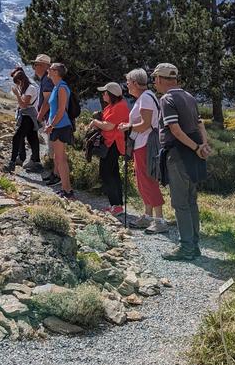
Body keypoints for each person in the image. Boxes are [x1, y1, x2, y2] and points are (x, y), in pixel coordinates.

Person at [152, 63, 211, 261]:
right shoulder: (189, 97)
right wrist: (202, 146)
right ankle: (194, 244)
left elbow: (175, 130)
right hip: (194, 155)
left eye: (155, 79)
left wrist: (195, 147)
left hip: (178, 155)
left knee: (180, 203)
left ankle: (186, 247)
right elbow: (200, 125)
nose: (155, 83)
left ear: (160, 79)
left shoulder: (167, 99)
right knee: (191, 200)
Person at [119, 69, 168, 234]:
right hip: (144, 143)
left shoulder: (145, 99)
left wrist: (128, 126)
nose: (127, 85)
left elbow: (145, 124)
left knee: (147, 179)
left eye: (127, 82)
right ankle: (148, 215)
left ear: (134, 82)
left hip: (145, 144)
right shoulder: (147, 97)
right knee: (143, 179)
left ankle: (159, 219)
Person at [87, 82, 130, 215]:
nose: (103, 94)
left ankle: (116, 205)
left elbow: (109, 126)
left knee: (106, 173)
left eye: (105, 92)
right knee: (113, 173)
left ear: (111, 94)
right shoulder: (114, 105)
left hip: (113, 144)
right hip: (111, 143)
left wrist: (95, 122)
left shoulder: (119, 107)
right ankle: (116, 205)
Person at [44, 62, 74, 198]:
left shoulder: (61, 87)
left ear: (56, 72)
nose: (48, 70)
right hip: (58, 126)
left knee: (61, 159)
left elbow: (61, 110)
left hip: (61, 126)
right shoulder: (57, 87)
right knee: (59, 158)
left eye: (51, 68)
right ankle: (65, 188)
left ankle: (67, 190)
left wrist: (52, 125)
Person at [3, 66, 41, 172]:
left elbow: (24, 105)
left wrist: (17, 95)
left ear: (21, 80)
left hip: (28, 117)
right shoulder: (27, 88)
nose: (17, 85)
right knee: (32, 138)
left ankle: (12, 162)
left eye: (18, 82)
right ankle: (36, 162)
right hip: (28, 116)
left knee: (17, 137)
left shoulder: (30, 89)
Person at [32, 54, 56, 178]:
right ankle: (55, 174)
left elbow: (47, 100)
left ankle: (56, 175)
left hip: (50, 118)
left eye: (36, 65)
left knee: (53, 149)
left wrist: (39, 116)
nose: (34, 67)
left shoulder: (46, 79)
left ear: (44, 66)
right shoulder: (46, 79)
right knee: (53, 148)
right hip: (51, 117)